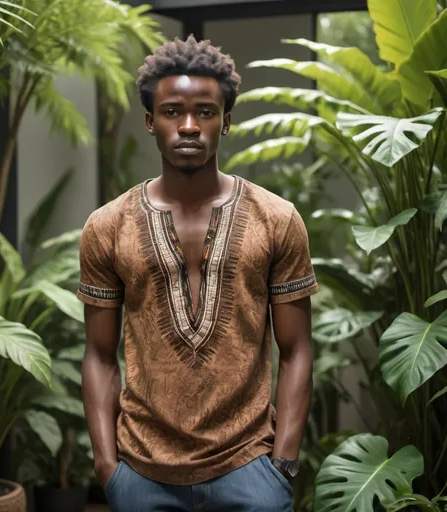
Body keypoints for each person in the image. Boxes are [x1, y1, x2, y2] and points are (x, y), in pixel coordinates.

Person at [77, 34, 318, 512]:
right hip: (142, 474)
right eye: (172, 112)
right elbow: (99, 357)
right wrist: (109, 470)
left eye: (205, 112)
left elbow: (297, 350)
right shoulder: (108, 226)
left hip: (251, 471)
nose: (189, 126)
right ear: (150, 121)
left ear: (225, 122)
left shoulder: (277, 218)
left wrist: (282, 466)